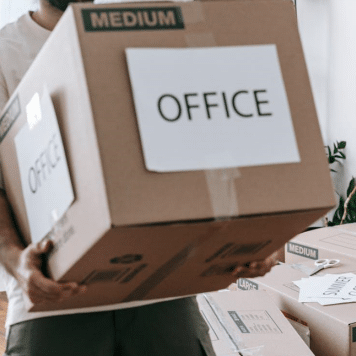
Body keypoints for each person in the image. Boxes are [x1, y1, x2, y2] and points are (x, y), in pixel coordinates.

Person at [0, 1, 278, 355]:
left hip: (160, 287)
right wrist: (15, 262)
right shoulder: (5, 54)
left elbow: (203, 152)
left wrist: (251, 234)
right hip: (49, 300)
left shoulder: (144, 39)